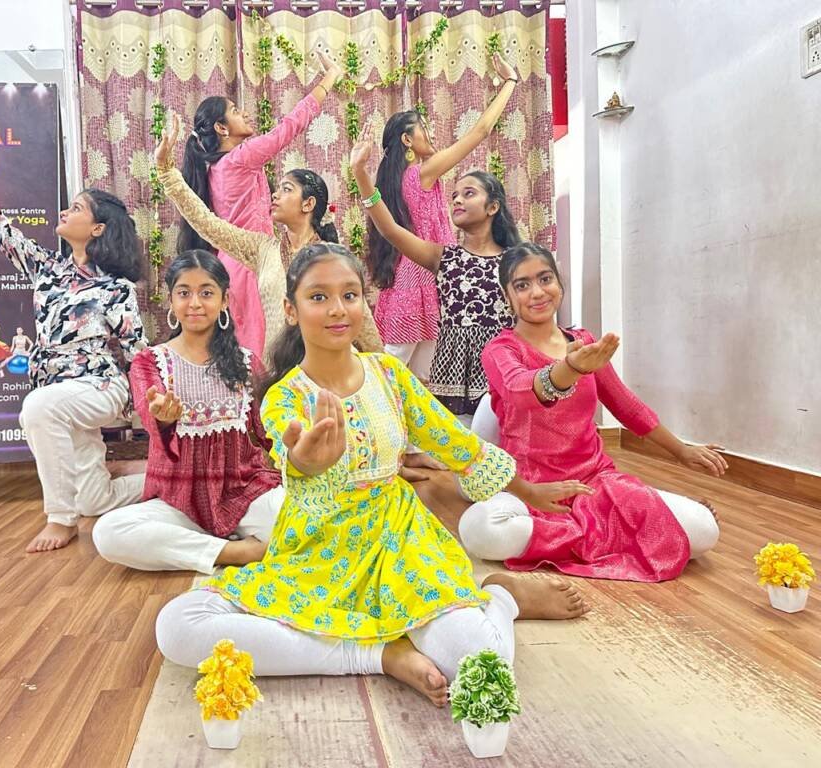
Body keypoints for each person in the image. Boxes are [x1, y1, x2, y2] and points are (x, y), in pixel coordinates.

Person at [155, 243, 590, 706]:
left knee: (482, 665)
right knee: (177, 628)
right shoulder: (283, 397)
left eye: (350, 295)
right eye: (318, 297)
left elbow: (458, 443)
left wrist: (527, 491)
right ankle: (380, 654)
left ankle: (501, 595)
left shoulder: (388, 374)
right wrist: (307, 463)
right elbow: (291, 457)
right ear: (290, 309)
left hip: (400, 543)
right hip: (318, 554)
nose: (337, 309)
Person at [459, 243, 723, 582]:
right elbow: (520, 392)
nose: (537, 292)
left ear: (559, 283)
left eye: (545, 279)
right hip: (530, 490)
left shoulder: (585, 343)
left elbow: (626, 406)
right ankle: (612, 535)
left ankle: (582, 534)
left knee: (705, 530)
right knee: (479, 530)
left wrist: (682, 451)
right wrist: (569, 369)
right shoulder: (501, 350)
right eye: (522, 285)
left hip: (594, 483)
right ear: (507, 296)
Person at [0, 118, 146, 553]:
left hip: (100, 387)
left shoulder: (116, 288)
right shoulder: (45, 270)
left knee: (37, 408)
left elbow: (138, 354)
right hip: (56, 390)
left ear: (97, 228)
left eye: (76, 209)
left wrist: (150, 416)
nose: (64, 213)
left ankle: (60, 518)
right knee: (95, 499)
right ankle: (171, 480)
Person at [93, 250, 284, 573]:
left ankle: (207, 545)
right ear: (171, 301)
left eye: (206, 293)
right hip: (178, 503)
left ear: (224, 301)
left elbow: (270, 432)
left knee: (301, 517)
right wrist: (162, 419)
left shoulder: (247, 362)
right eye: (184, 293)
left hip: (244, 494)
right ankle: (237, 552)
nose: (195, 303)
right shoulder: (150, 362)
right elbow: (149, 411)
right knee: (109, 533)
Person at [157, 113, 382, 368]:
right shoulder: (262, 249)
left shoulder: (334, 257)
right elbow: (208, 224)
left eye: (286, 189)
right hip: (279, 370)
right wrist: (166, 171)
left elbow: (364, 323)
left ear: (308, 204)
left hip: (330, 371)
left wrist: (387, 374)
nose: (275, 195)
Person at [365, 53, 518, 387]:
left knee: (413, 376)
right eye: (424, 128)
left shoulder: (396, 180)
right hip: (423, 278)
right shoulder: (421, 172)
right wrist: (510, 82)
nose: (431, 133)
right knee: (397, 375)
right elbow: (481, 131)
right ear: (407, 140)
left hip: (417, 280)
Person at [180, 51, 343, 357]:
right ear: (221, 128)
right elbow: (289, 127)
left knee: (247, 351)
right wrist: (330, 77)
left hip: (232, 264)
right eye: (235, 111)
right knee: (262, 352)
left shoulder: (216, 168)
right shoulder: (239, 158)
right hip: (250, 267)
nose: (244, 114)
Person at [352, 140, 520, 422]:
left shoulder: (516, 261)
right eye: (454, 196)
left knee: (498, 445)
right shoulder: (444, 257)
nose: (457, 200)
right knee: (459, 445)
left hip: (501, 374)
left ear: (492, 207)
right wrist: (360, 173)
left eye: (469, 193)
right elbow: (390, 229)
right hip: (452, 382)